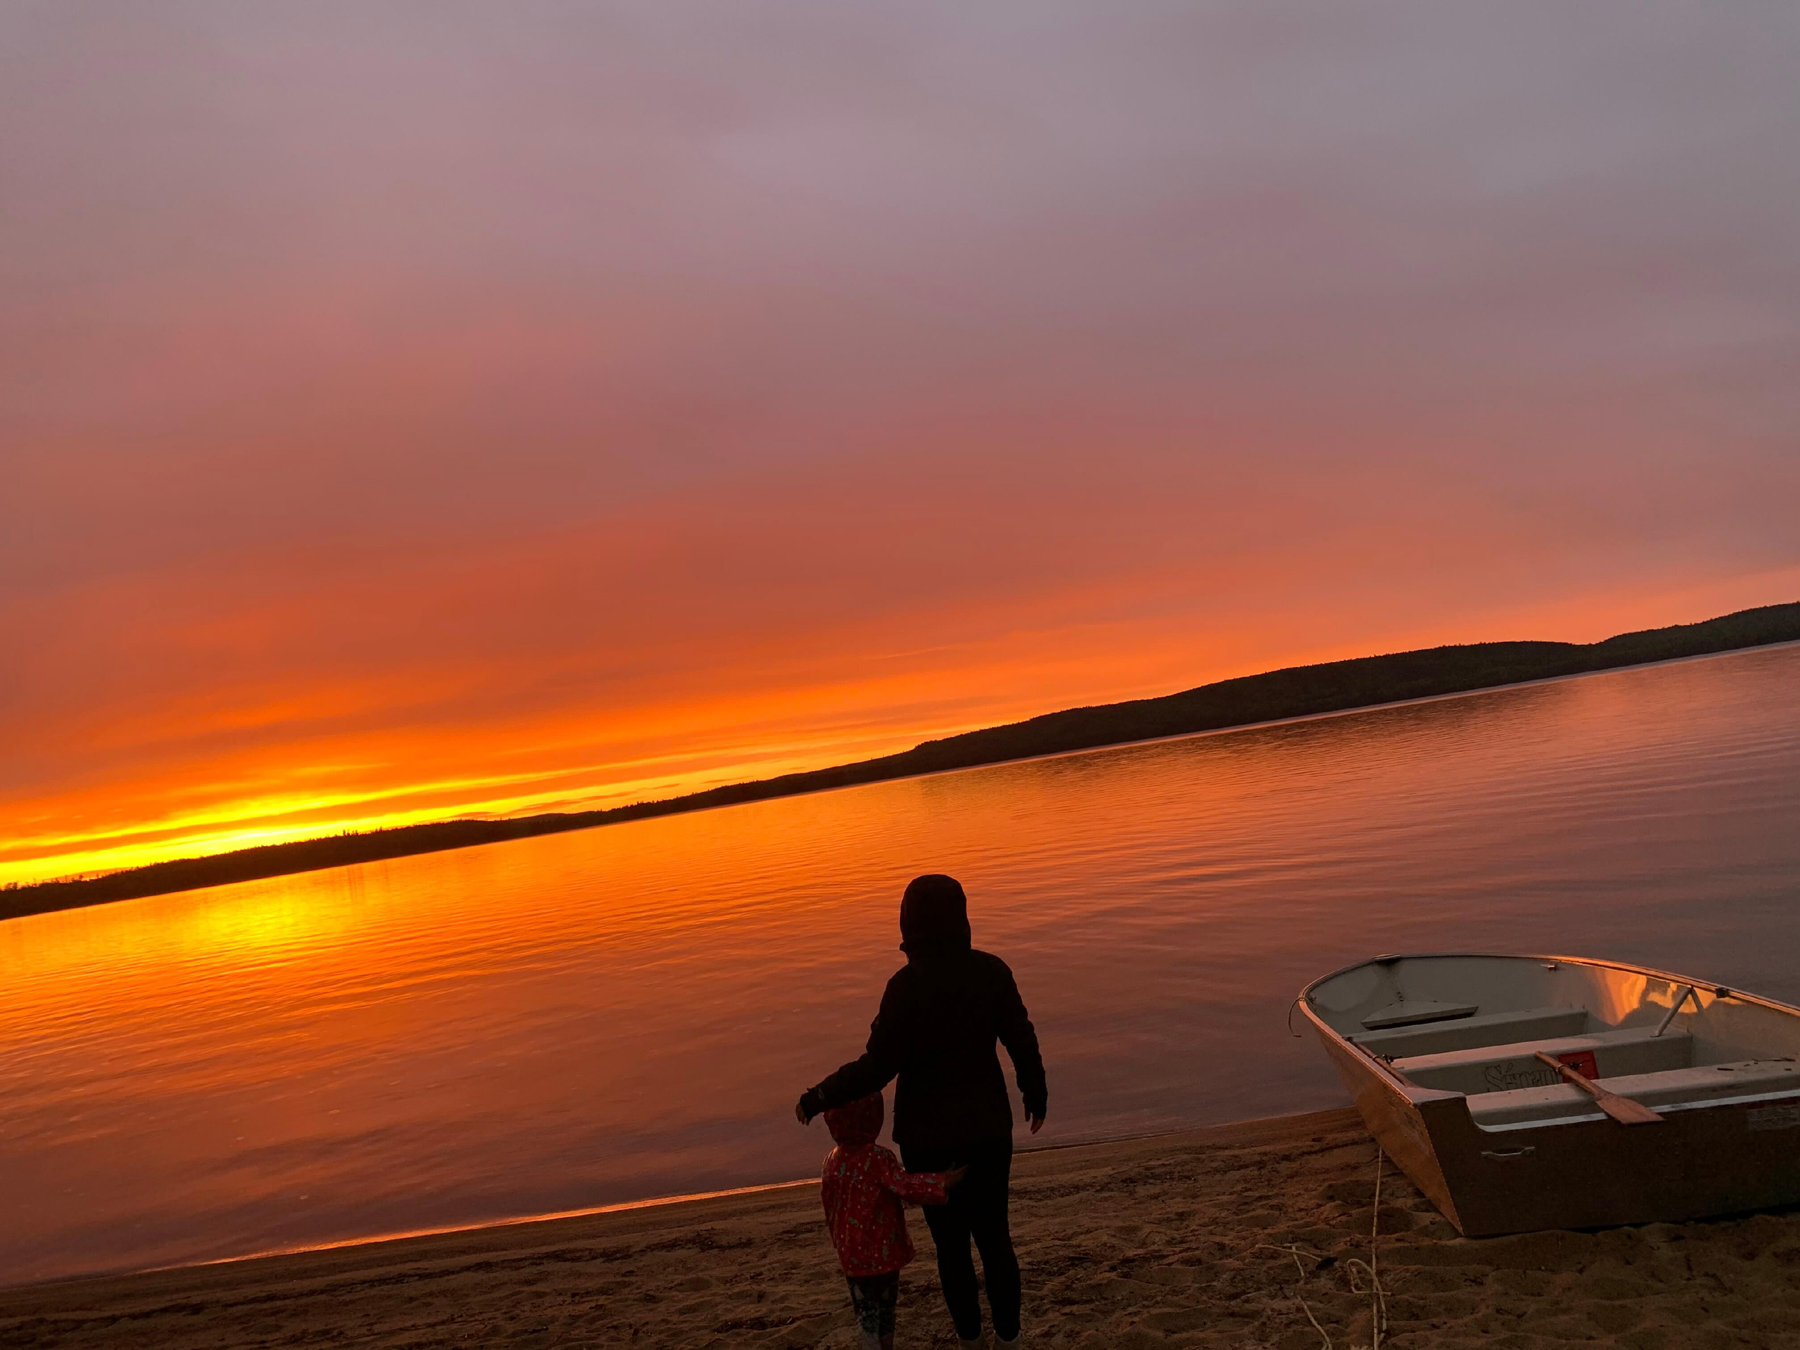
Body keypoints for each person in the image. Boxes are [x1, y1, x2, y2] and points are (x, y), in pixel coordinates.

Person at [796, 874, 1047, 1350]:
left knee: (952, 1249)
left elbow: (877, 1066)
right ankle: (1009, 1340)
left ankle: (972, 1340)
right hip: (988, 1127)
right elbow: (1021, 1038)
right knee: (995, 1237)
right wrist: (1035, 1093)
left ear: (908, 924)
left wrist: (819, 1096)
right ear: (963, 918)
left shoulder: (905, 988)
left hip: (926, 1138)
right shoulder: (991, 971)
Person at [818, 1092, 966, 1350]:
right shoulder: (876, 1158)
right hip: (884, 1253)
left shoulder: (832, 1162)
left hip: (852, 1255)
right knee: (884, 1312)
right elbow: (905, 1186)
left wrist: (839, 1242)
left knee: (866, 1315)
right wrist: (941, 1181)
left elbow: (830, 1209)